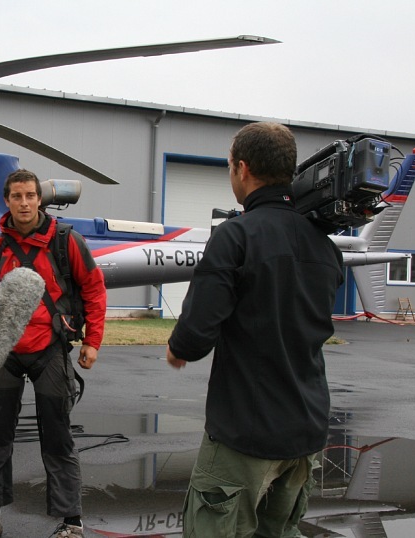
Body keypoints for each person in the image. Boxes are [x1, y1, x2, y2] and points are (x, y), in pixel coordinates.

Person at [166, 122, 344, 537]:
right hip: (305, 434)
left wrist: (177, 349)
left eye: (230, 167)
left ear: (242, 169)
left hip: (244, 434)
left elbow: (194, 335)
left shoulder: (236, 236)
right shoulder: (326, 247)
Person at [0, 169, 106, 538]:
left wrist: (93, 341)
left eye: (30, 196)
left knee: (58, 437)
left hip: (50, 349)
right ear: (6, 201)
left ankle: (71, 522)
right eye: (17, 197)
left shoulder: (65, 241)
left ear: (39, 199)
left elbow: (93, 288)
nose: (24, 203)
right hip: (3, 352)